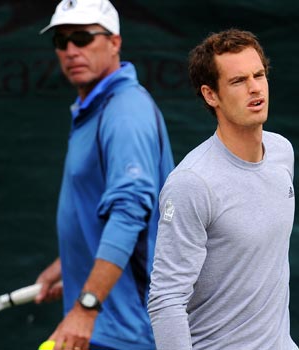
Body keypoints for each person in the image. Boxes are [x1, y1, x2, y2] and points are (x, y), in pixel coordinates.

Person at [34, 1, 175, 349]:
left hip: (129, 330)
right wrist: (68, 262)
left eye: (82, 38)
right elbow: (101, 208)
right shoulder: (94, 108)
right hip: (103, 326)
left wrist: (86, 306)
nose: (71, 50)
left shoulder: (125, 112)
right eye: (61, 41)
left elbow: (130, 213)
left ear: (114, 42)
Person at [147, 29, 299, 350]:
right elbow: (166, 299)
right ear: (210, 95)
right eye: (238, 81)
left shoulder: (282, 153)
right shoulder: (191, 182)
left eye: (259, 75)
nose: (255, 87)